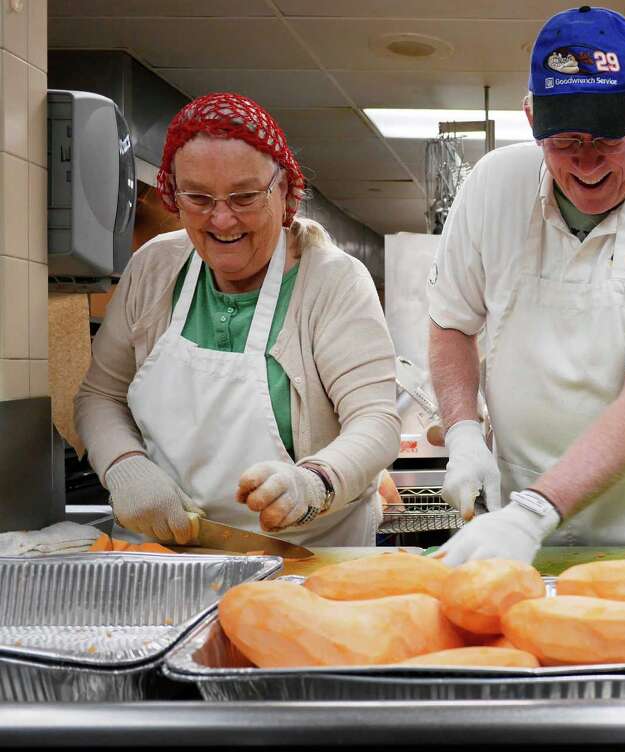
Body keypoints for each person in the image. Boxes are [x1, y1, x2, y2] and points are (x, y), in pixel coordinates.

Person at [427, 6, 625, 565]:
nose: (586, 159)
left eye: (607, 134)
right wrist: (465, 433)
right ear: (530, 118)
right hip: (517, 510)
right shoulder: (493, 186)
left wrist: (537, 510)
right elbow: (451, 322)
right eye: (564, 138)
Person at [75, 92, 402, 546]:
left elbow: (376, 422)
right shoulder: (154, 268)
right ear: (175, 193)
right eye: (199, 198)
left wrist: (312, 483)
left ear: (284, 189)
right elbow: (99, 395)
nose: (222, 220)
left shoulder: (332, 282)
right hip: (163, 554)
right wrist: (123, 464)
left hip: (304, 558)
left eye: (245, 197)